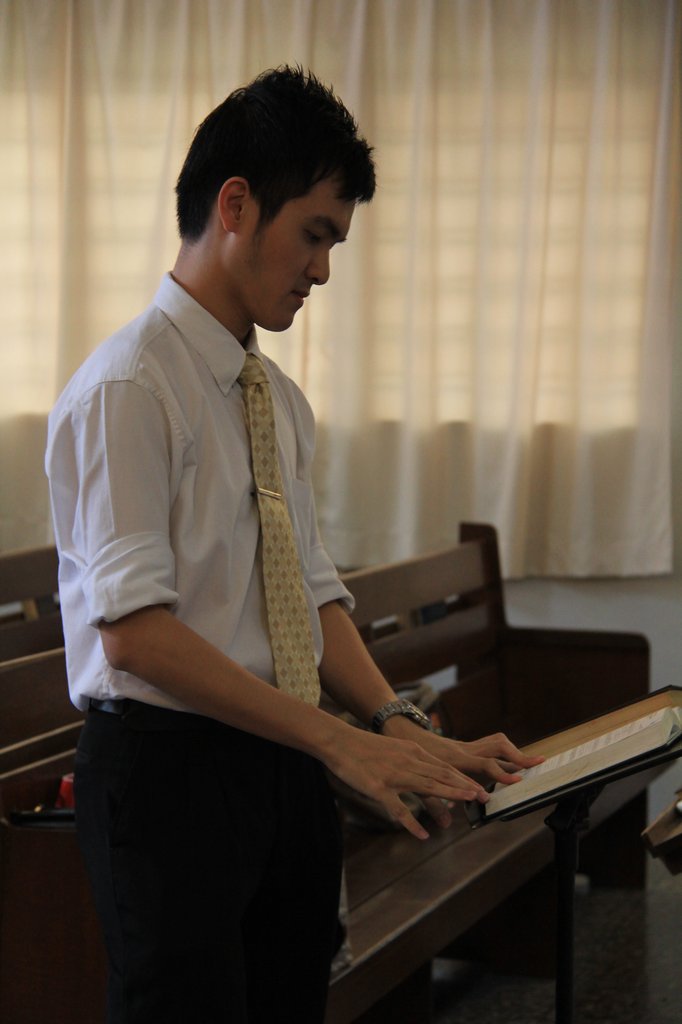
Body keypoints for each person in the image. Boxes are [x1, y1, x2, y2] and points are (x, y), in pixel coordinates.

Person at [45, 66, 541, 1024]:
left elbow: (311, 592)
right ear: (235, 206)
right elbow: (134, 635)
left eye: (334, 244)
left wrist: (394, 722)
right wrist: (336, 740)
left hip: (281, 761)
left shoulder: (277, 399)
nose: (322, 270)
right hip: (170, 773)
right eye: (314, 234)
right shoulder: (129, 389)